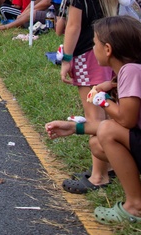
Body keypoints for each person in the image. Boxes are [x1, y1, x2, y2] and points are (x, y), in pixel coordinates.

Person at [55, 0, 133, 194]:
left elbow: (73, 27)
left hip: (88, 55)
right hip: (110, 56)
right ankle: (108, 164)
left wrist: (66, 58)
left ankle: (99, 176)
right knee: (108, 111)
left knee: (93, 114)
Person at [45, 17, 141, 224]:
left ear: (108, 49)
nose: (93, 48)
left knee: (105, 132)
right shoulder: (127, 72)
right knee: (98, 144)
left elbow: (126, 121)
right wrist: (74, 128)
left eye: (94, 43)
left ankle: (135, 207)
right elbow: (120, 127)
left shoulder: (130, 71)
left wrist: (102, 100)